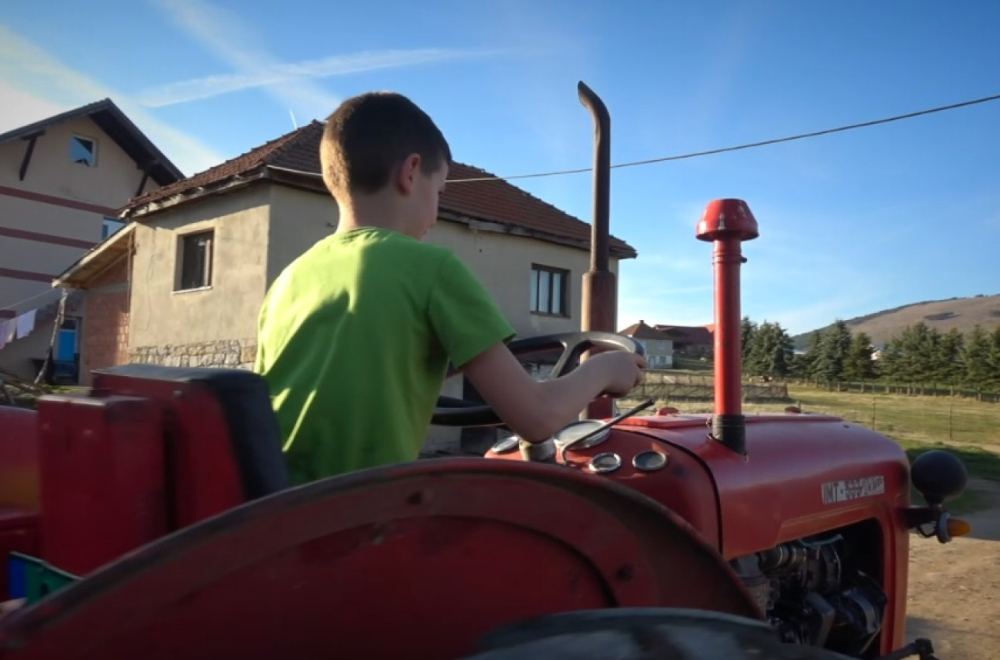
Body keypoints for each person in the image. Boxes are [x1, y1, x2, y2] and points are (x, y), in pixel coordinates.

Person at [254, 91, 646, 485]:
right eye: (439, 192)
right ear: (410, 173)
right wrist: (603, 369)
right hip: (363, 515)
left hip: (277, 512)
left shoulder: (290, 280)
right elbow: (536, 418)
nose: (436, 213)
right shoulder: (430, 267)